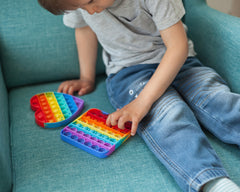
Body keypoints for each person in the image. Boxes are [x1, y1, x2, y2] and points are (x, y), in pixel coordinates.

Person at [38, 0, 240, 191]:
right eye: (81, 7)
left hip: (182, 63)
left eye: (90, 2)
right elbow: (83, 29)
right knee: (169, 114)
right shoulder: (84, 5)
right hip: (129, 74)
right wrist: (86, 78)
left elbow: (178, 47)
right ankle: (212, 182)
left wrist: (142, 102)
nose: (90, 11)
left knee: (216, 98)